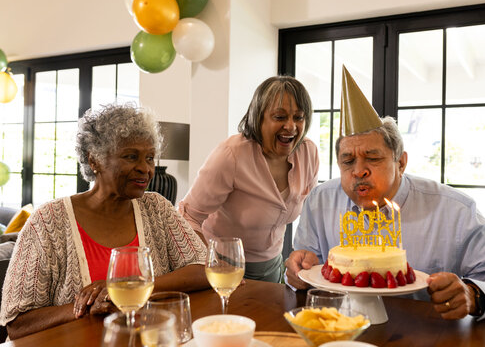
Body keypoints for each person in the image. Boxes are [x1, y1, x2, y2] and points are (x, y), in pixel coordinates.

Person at [285, 66, 485, 320]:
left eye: (372, 158)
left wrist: (474, 294)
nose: (358, 171)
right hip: (340, 331)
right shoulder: (320, 201)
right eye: (347, 161)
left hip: (425, 335)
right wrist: (298, 271)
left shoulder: (453, 211)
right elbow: (306, 275)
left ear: (401, 163)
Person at [0, 103, 208, 339]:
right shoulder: (48, 222)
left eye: (150, 158)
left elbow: (203, 269)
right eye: (131, 156)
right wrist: (85, 308)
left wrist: (127, 287)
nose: (145, 168)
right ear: (94, 160)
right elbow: (16, 324)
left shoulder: (156, 207)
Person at [179, 76, 319, 283]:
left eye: (298, 117)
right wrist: (212, 264)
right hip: (223, 266)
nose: (291, 126)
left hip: (273, 266)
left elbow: (309, 215)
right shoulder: (231, 154)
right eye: (280, 117)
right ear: (258, 118)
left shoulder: (308, 153)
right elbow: (187, 217)